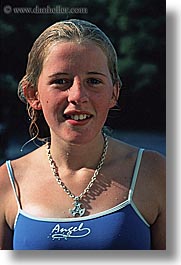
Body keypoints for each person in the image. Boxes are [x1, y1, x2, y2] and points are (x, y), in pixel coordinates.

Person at [0, 19, 166, 250]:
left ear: (114, 92)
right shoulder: (7, 183)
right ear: (32, 94)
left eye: (94, 81)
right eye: (61, 81)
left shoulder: (156, 173)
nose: (78, 95)